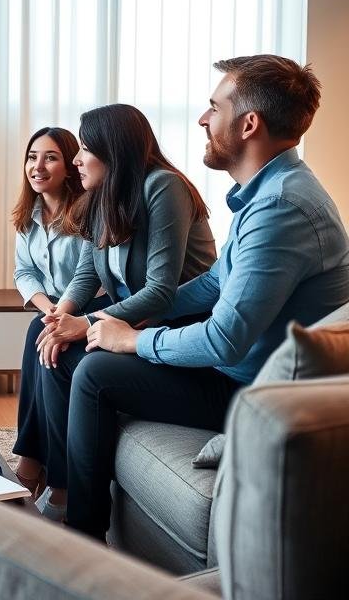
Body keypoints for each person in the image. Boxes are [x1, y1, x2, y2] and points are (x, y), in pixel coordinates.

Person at [62, 56, 349, 540]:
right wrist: (107, 320)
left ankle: (82, 536)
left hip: (249, 391)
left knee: (95, 372)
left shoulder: (281, 206)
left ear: (249, 124)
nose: (202, 119)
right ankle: (65, 486)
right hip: (235, 371)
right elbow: (215, 283)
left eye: (214, 108)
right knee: (79, 347)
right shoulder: (268, 192)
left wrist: (132, 340)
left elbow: (225, 341)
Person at [29, 103, 216, 521]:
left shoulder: (163, 187)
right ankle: (58, 485)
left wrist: (89, 322)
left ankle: (82, 516)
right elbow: (83, 275)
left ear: (114, 151)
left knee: (78, 362)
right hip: (131, 319)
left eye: (85, 149)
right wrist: (62, 316)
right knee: (41, 335)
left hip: (174, 331)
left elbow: (161, 291)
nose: (76, 159)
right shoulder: (101, 195)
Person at [9, 127, 89, 499]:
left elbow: (92, 274)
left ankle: (46, 474)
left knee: (36, 336)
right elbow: (24, 273)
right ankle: (33, 462)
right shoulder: (29, 214)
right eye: (31, 156)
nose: (37, 166)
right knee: (34, 329)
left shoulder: (88, 209)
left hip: (94, 304)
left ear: (70, 164)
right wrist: (49, 309)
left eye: (50, 157)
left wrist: (63, 312)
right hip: (54, 306)